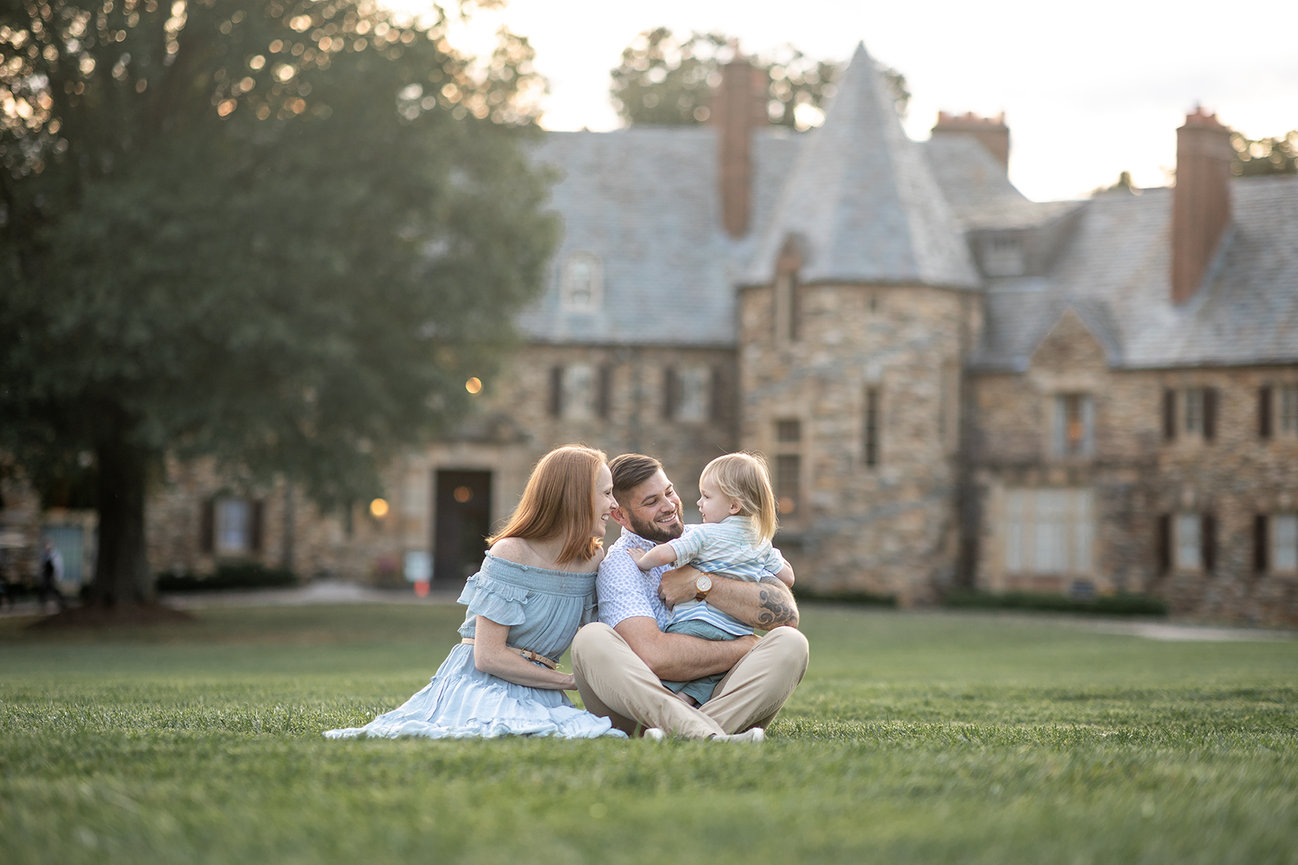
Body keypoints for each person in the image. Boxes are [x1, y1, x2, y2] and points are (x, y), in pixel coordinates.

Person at [325, 444, 627, 740]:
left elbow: (606, 632)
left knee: (578, 732)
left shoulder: (593, 559)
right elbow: (488, 657)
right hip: (482, 684)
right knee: (515, 730)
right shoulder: (511, 553)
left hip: (542, 691)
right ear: (575, 496)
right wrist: (571, 681)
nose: (614, 504)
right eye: (606, 493)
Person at [571, 453, 809, 741]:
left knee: (791, 643)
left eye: (669, 492)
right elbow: (655, 659)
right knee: (590, 638)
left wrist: (702, 584)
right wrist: (746, 646)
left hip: (710, 698)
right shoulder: (622, 565)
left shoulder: (714, 537)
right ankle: (706, 735)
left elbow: (786, 615)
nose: (669, 505)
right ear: (620, 515)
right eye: (652, 502)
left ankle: (690, 736)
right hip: (644, 710)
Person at [627, 452, 794, 706]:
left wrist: (642, 560)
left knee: (668, 679)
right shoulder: (761, 542)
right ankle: (687, 706)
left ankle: (663, 709)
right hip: (735, 633)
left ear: (733, 506)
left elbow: (666, 553)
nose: (699, 503)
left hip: (695, 625)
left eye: (706, 497)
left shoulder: (704, 535)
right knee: (708, 678)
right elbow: (788, 577)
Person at [39, 540, 68, 612]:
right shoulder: (44, 556)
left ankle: (62, 602)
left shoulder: (55, 556)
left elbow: (58, 567)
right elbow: (42, 567)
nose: (47, 549)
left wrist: (58, 577)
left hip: (53, 577)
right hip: (46, 577)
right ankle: (43, 604)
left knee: (54, 590)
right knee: (44, 590)